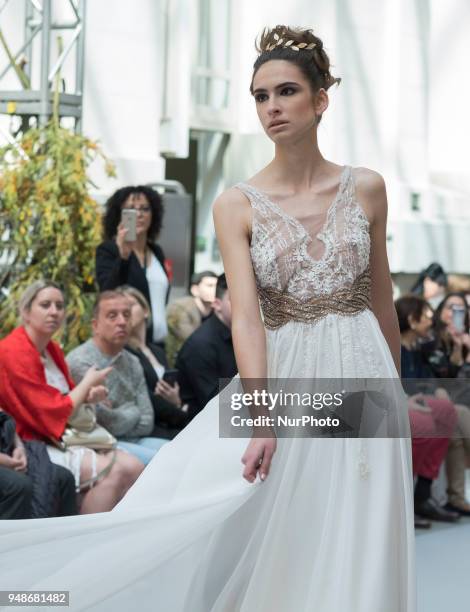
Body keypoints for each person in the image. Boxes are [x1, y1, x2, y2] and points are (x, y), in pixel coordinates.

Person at [0, 26, 415, 611]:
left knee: (363, 527)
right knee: (284, 523)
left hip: (366, 376)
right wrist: (263, 417)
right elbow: (244, 318)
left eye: (286, 91)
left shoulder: (368, 188)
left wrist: (395, 392)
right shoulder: (236, 203)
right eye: (260, 95)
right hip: (287, 376)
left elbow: (380, 302)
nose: (271, 107)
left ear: (321, 99)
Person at [0, 281, 144, 514]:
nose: (54, 312)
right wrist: (87, 385)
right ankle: (87, 541)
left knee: (139, 464)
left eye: (59, 305)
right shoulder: (14, 351)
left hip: (69, 434)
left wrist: (87, 395)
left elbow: (147, 413)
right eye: (46, 305)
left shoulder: (54, 349)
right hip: (37, 439)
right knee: (124, 468)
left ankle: (113, 539)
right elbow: (50, 409)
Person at [67, 289, 167, 465]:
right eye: (112, 316)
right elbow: (104, 422)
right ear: (95, 325)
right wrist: (133, 410)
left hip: (136, 439)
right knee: (162, 463)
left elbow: (147, 420)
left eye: (126, 315)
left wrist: (126, 414)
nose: (122, 322)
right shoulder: (81, 361)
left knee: (182, 454)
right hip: (100, 443)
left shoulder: (133, 361)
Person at [396, 294, 470, 517]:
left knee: (450, 416)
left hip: (444, 399)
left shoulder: (418, 348)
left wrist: (460, 349)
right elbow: (445, 374)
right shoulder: (429, 343)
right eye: (451, 308)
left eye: (461, 309)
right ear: (412, 320)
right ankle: (418, 495)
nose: (430, 319)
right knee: (441, 418)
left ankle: (425, 493)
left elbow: (437, 378)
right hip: (422, 400)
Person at [96, 185, 170, 345]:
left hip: (157, 343)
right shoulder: (109, 250)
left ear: (153, 214)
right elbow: (107, 292)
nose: (139, 214)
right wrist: (123, 257)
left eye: (145, 209)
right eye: (130, 209)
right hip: (127, 342)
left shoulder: (156, 251)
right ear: (119, 216)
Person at [122, 286, 191, 439]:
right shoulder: (124, 352)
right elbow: (147, 398)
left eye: (130, 306)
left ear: (145, 310)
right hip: (154, 424)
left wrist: (177, 401)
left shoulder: (157, 350)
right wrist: (181, 412)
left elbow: (172, 388)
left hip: (171, 418)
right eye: (121, 309)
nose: (125, 312)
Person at [176, 273, 237, 416]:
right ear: (217, 304)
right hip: (203, 424)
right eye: (235, 300)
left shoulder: (239, 335)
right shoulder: (201, 344)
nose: (245, 305)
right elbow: (215, 403)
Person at [0, 410, 78, 519]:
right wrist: (6, 461)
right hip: (5, 458)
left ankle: (67, 534)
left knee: (64, 477)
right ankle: (18, 534)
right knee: (19, 485)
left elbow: (4, 419)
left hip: (7, 448)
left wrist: (19, 447)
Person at [165, 270, 218, 366]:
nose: (215, 290)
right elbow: (194, 343)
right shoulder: (180, 308)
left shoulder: (217, 311)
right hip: (178, 365)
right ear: (195, 290)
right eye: (210, 286)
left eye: (216, 286)